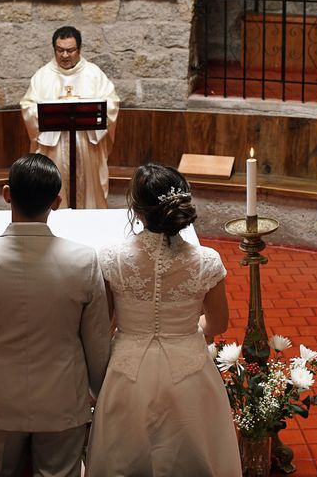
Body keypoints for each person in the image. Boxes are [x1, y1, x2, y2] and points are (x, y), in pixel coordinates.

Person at [0, 153, 111, 477]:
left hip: (1, 398)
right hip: (63, 400)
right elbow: (96, 341)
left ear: (6, 193)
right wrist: (95, 392)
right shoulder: (82, 261)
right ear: (56, 202)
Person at [85, 163, 241, 476]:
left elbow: (103, 323)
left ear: (136, 210)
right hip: (189, 370)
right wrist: (188, 328)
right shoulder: (206, 260)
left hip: (128, 370)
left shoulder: (111, 256)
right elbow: (219, 324)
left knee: (123, 458)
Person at [20, 25, 119, 209]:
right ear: (54, 49)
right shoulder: (42, 76)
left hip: (86, 146)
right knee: (53, 189)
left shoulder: (93, 74)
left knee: (89, 193)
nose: (65, 55)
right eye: (60, 50)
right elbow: (27, 106)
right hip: (54, 147)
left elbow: (111, 104)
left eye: (70, 50)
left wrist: (86, 109)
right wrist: (46, 112)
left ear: (79, 50)